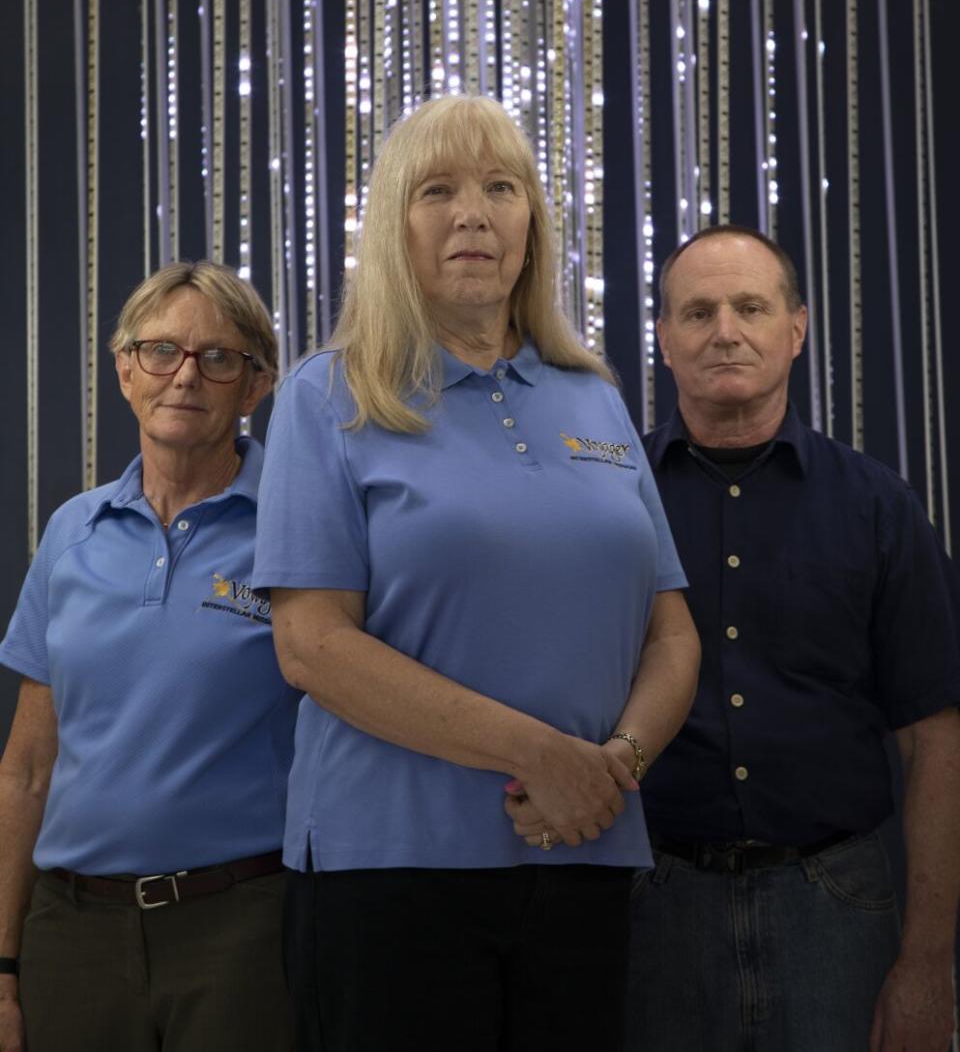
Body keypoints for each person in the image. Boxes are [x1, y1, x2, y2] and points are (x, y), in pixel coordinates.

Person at [251, 94, 701, 1052]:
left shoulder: (595, 395)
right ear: (392, 225)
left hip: (584, 851)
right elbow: (312, 646)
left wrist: (611, 769)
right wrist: (538, 756)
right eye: (438, 190)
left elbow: (672, 633)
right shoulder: (328, 396)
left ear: (531, 222)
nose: (474, 213)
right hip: (388, 871)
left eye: (502, 187)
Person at [628, 224, 960, 1052]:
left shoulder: (879, 509)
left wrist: (926, 965)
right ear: (663, 339)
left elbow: (936, 746)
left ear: (797, 329)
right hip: (653, 905)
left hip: (839, 906)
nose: (725, 331)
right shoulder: (610, 504)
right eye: (697, 312)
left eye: (750, 306)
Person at [0, 261, 300, 1052]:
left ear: (256, 386)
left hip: (241, 930)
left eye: (218, 357)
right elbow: (27, 769)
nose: (185, 376)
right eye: (160, 351)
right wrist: (1, 963)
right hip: (71, 933)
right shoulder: (72, 533)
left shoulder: (300, 533)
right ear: (125, 369)